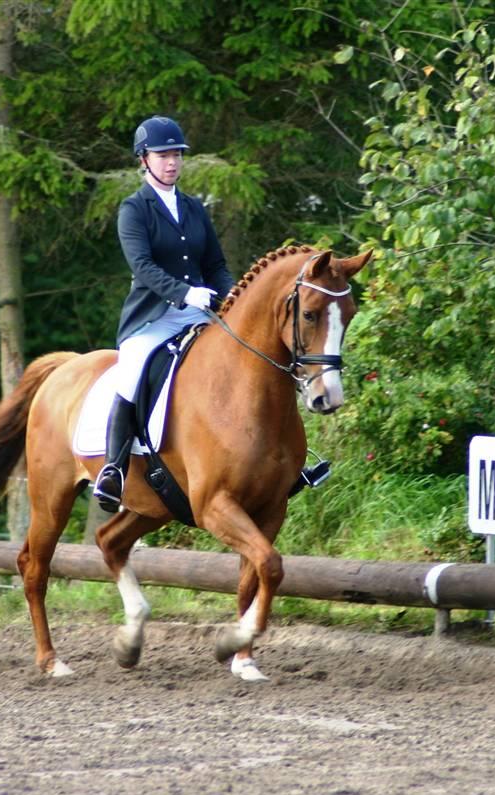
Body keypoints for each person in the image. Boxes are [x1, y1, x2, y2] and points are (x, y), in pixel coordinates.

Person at [93, 115, 330, 512]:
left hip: (198, 313)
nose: (171, 162)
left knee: (252, 359)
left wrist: (230, 298)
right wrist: (186, 292)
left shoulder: (193, 208)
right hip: (152, 318)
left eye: (176, 155)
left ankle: (287, 458)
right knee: (133, 372)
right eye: (163, 155)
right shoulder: (133, 210)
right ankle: (114, 469)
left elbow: (216, 264)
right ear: (144, 159)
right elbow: (143, 268)